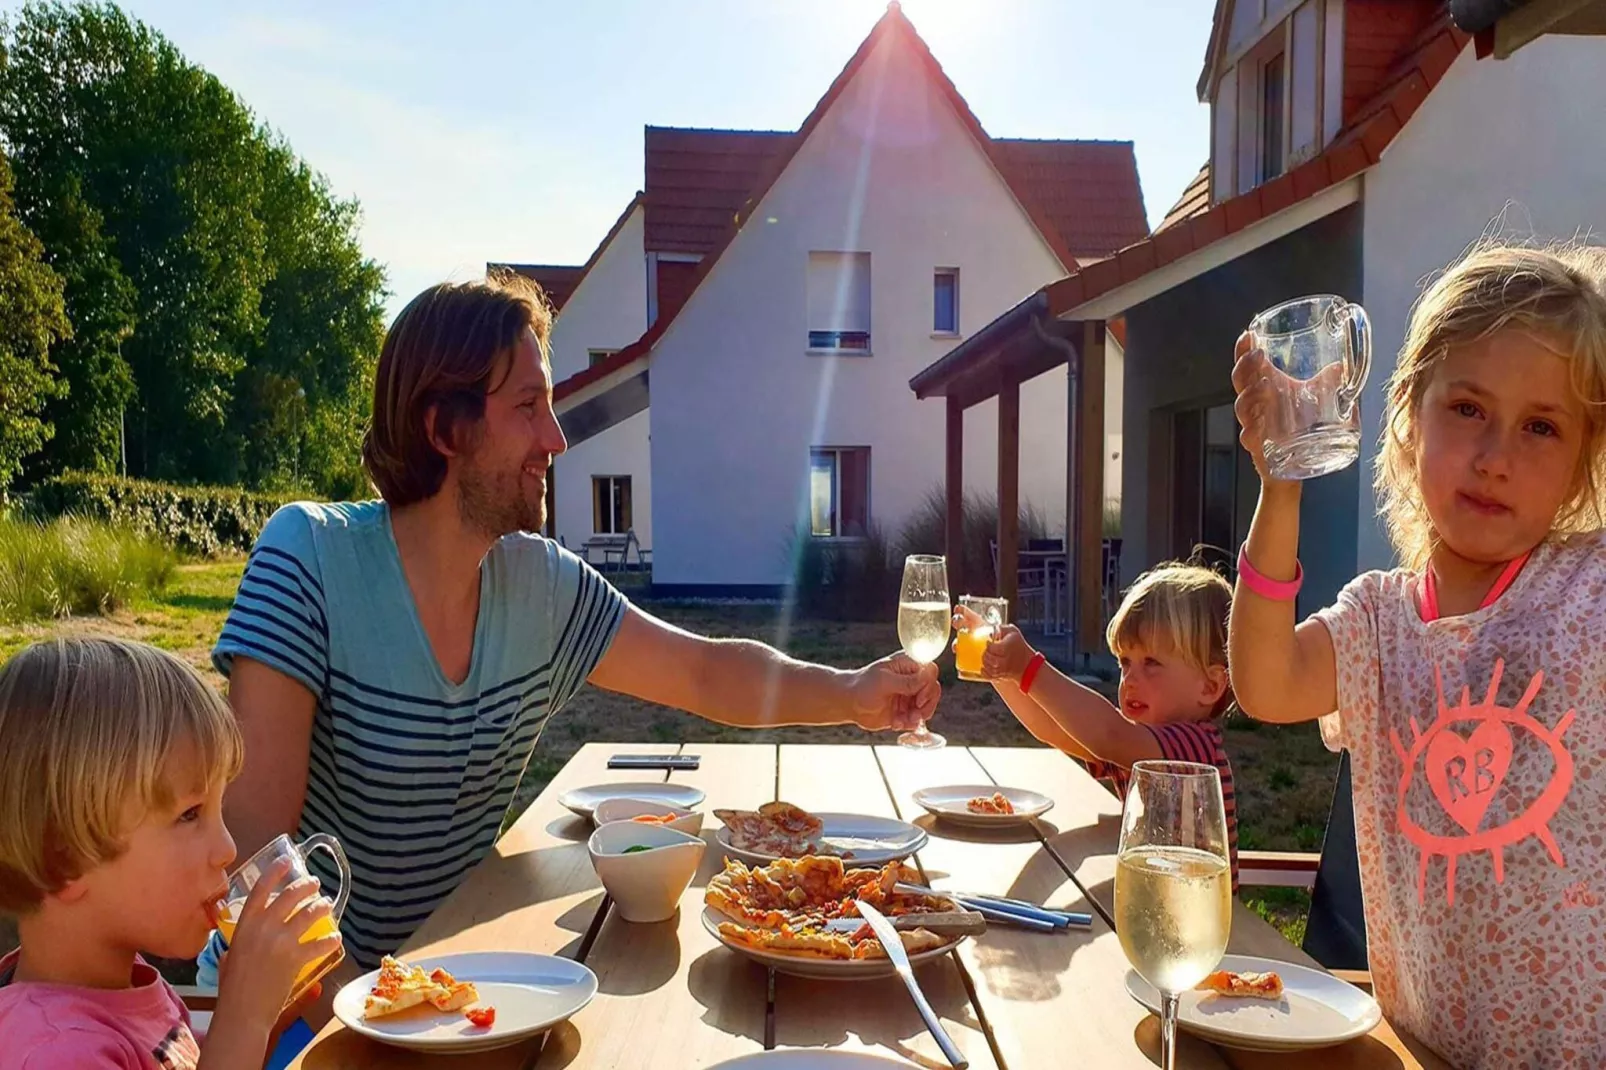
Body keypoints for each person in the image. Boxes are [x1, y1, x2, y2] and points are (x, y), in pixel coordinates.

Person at [204, 271, 941, 1021]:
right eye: (528, 408)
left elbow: (704, 671)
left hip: (443, 989)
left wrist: (853, 693)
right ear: (443, 428)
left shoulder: (541, 586)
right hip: (276, 1019)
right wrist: (368, 1014)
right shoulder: (309, 559)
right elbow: (252, 857)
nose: (556, 439)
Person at [1229, 241, 1606, 1068]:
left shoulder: (1591, 588)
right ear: (1406, 412)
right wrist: (1280, 480)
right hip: (1420, 1051)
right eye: (1468, 408)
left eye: (1542, 427)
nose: (1495, 456)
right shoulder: (1378, 619)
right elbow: (1263, 681)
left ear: (1584, 461)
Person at [0, 638, 339, 1069]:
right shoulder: (57, 1051)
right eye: (190, 815)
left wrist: (268, 1015)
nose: (228, 849)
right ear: (65, 861)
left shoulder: (120, 987)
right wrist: (244, 1018)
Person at [961, 562, 1238, 886]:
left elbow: (1106, 733)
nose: (1130, 680)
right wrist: (1002, 670)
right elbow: (1052, 727)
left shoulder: (1193, 749)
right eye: (1125, 662)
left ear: (1209, 686)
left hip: (1200, 923)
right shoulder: (1136, 743)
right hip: (1151, 905)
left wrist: (1028, 667)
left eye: (1151, 663)